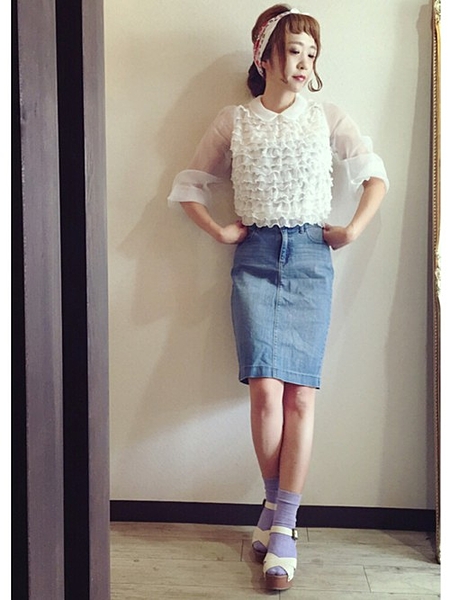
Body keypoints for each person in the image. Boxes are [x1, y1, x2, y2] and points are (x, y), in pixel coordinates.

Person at [168, 3, 388, 592]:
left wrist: (351, 230)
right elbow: (188, 185)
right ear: (264, 56)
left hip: (312, 258)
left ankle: (281, 524)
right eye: (294, 50)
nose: (304, 62)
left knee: (301, 399)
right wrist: (219, 232)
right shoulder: (233, 121)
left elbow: (375, 175)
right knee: (265, 391)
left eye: (312, 53)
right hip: (256, 258)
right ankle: (278, 509)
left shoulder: (328, 117)